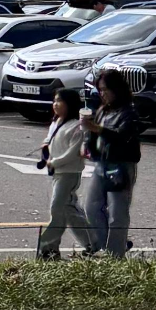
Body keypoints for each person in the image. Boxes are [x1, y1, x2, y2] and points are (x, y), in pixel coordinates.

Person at [81, 67, 143, 257]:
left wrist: (97, 129)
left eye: (105, 89)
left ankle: (115, 255)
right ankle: (107, 246)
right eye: (100, 90)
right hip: (102, 163)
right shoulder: (103, 110)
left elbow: (123, 136)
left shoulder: (128, 112)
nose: (102, 94)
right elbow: (95, 135)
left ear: (117, 89)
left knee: (117, 212)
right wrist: (88, 145)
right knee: (91, 207)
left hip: (121, 166)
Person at [35, 87, 92, 259]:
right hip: (57, 172)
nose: (55, 104)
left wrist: (53, 162)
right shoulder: (57, 122)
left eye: (59, 101)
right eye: (54, 101)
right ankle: (93, 242)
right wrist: (45, 149)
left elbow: (72, 153)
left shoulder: (77, 127)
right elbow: (49, 140)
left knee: (57, 208)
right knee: (69, 211)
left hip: (69, 173)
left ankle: (49, 247)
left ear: (70, 104)